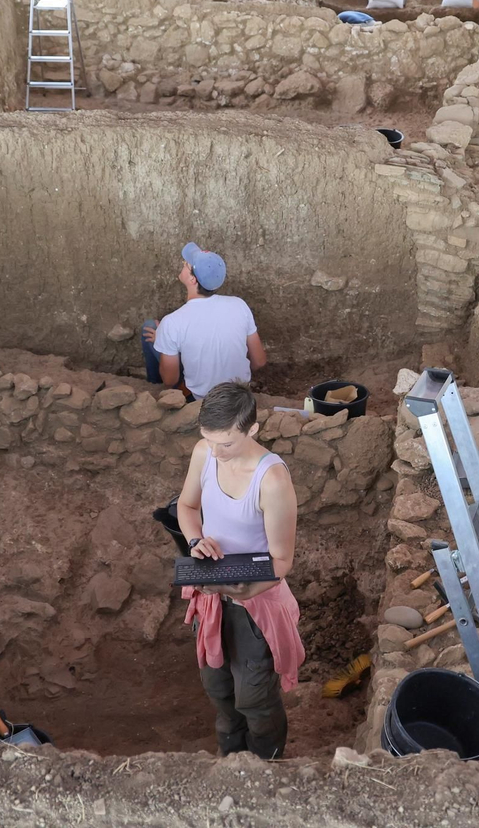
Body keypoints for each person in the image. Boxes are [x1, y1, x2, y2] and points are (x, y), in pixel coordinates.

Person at [176, 384, 304, 759]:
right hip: (212, 593)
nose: (217, 453)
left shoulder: (272, 480)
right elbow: (186, 506)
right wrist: (194, 541)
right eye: (208, 440)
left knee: (254, 698)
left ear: (252, 430)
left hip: (257, 602)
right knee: (217, 687)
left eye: (226, 444)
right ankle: (232, 761)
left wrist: (244, 593)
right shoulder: (205, 453)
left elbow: (282, 562)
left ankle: (268, 761)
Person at [142, 242, 266, 400]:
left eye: (186, 264)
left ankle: (155, 392)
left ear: (193, 280)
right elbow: (260, 361)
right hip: (239, 395)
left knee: (149, 327)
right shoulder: (239, 305)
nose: (182, 264)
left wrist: (163, 341)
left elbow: (170, 379)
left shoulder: (172, 322)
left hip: (200, 400)